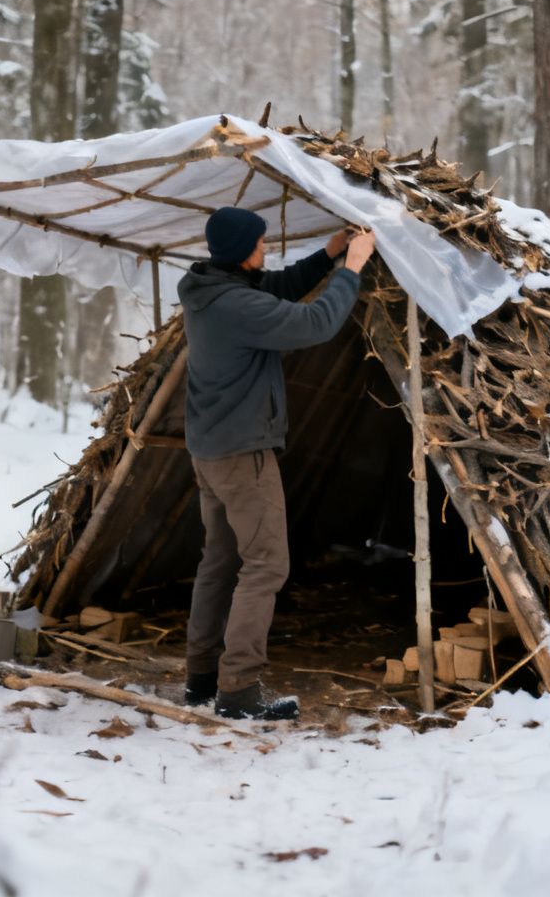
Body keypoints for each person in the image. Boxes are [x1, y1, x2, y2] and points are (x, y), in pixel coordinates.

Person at [175, 206, 376, 721]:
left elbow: (276, 288)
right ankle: (239, 689)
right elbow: (314, 322)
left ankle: (201, 679)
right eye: (261, 245)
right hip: (243, 455)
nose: (265, 253)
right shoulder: (235, 304)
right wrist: (351, 269)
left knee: (218, 562)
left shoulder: (210, 290)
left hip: (210, 450)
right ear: (243, 251)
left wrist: (328, 254)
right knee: (266, 565)